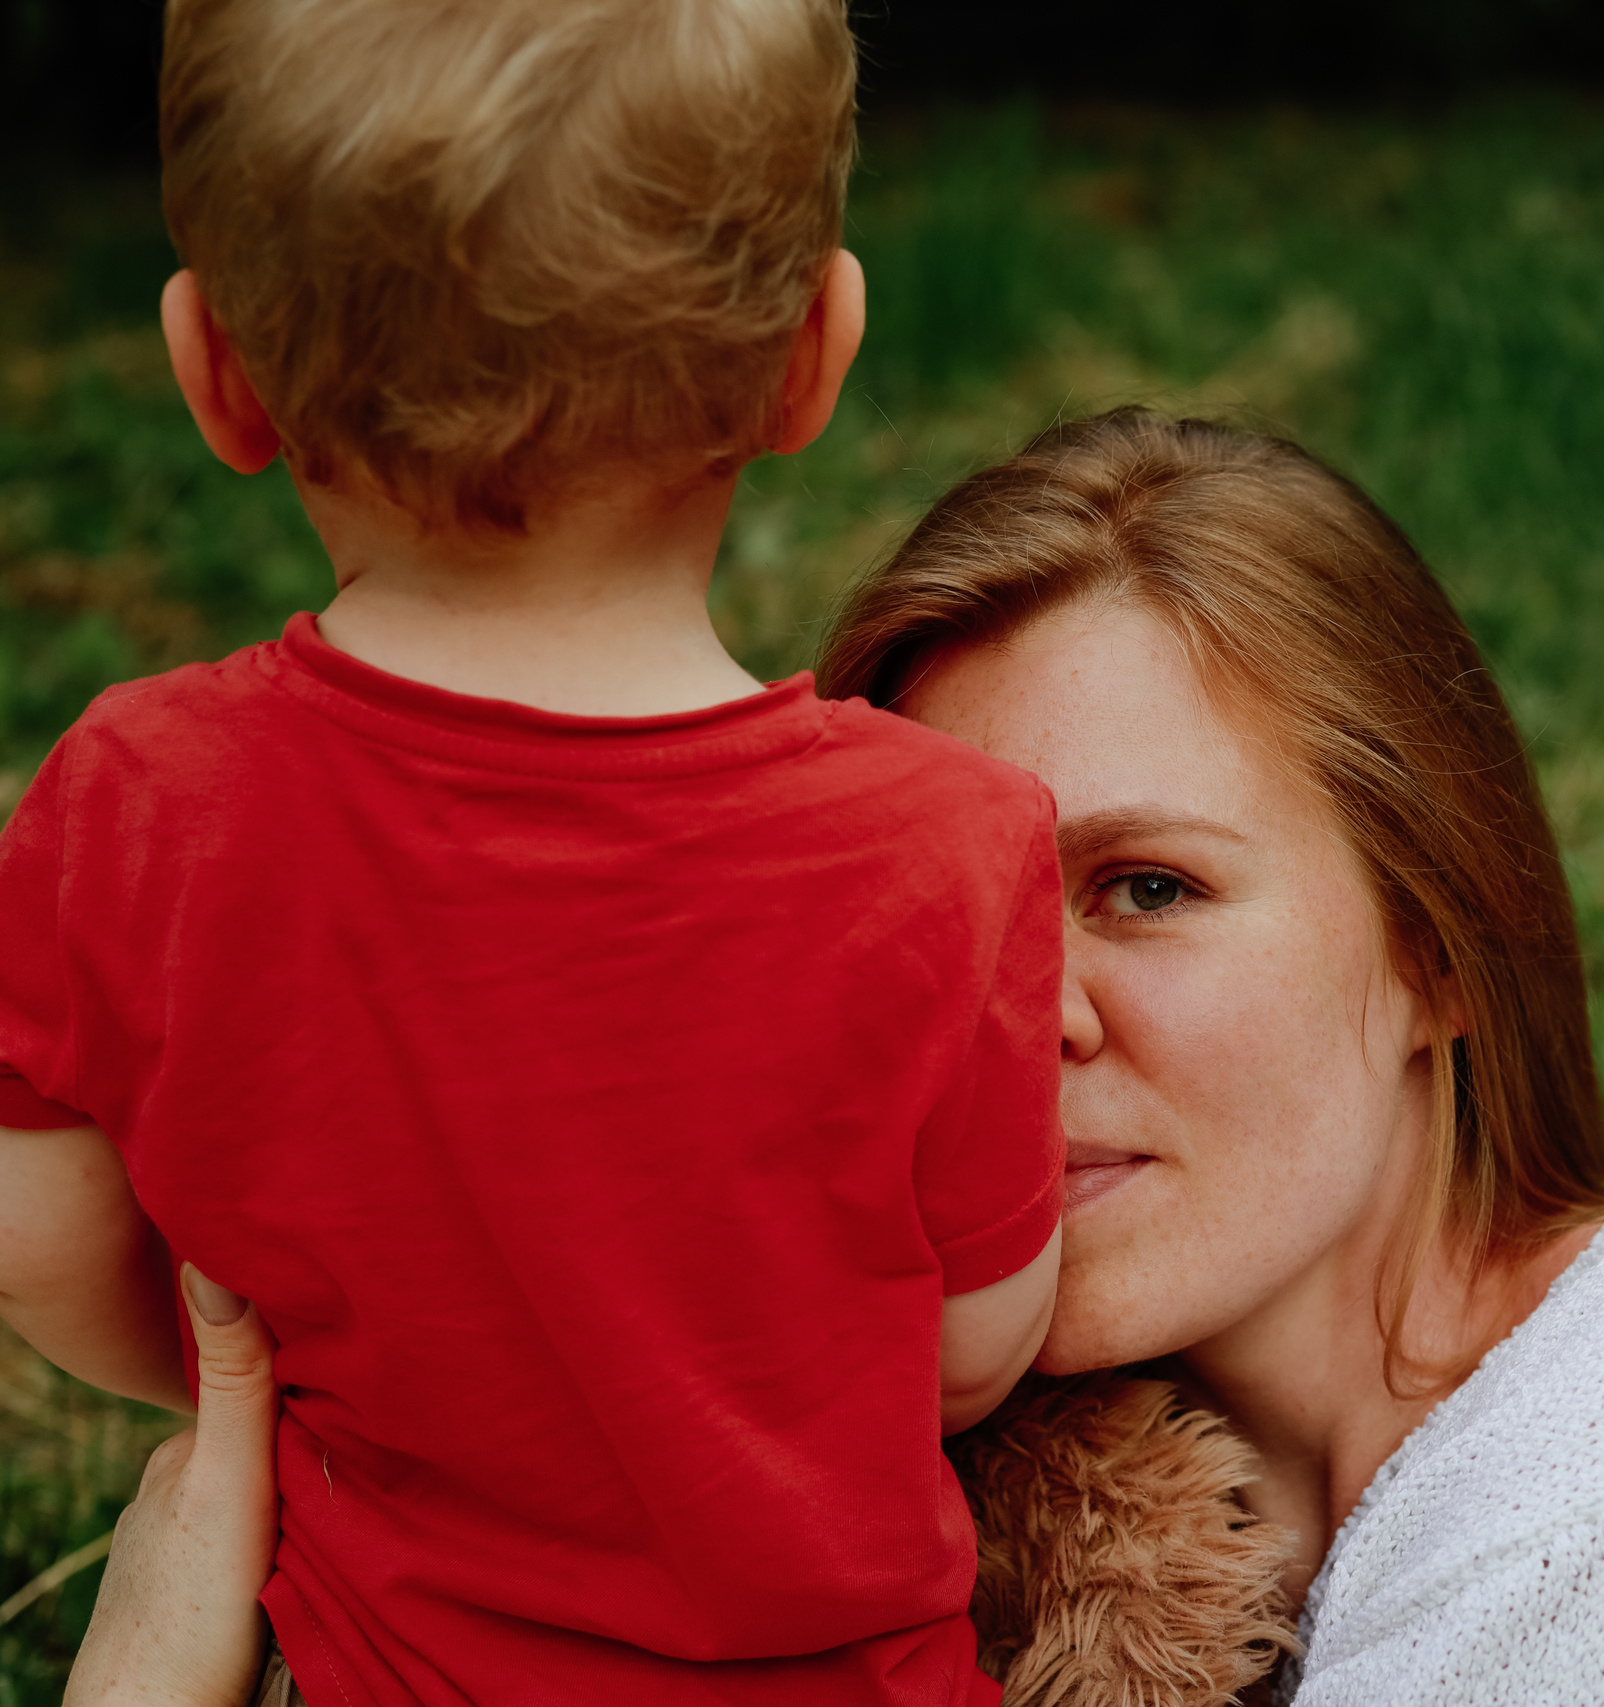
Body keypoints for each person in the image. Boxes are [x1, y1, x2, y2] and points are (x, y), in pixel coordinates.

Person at [67, 411, 1604, 1705]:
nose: (1014, 1013)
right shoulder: (1041, 1550)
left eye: (1142, 888)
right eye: (928, 933)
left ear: (1433, 947)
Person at [0, 4, 1062, 1705]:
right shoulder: (950, 845)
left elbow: (41, 1239)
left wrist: (277, 1383)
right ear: (816, 354)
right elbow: (971, 1346)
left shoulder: (135, 800)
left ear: (215, 375)